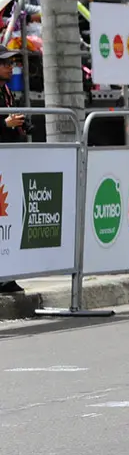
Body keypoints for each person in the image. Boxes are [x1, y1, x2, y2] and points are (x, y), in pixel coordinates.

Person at [1, 49, 29, 294]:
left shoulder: (7, 91)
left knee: (7, 221)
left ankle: (5, 276)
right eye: (5, 63)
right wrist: (4, 123)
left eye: (11, 63)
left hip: (7, 163)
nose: (11, 67)